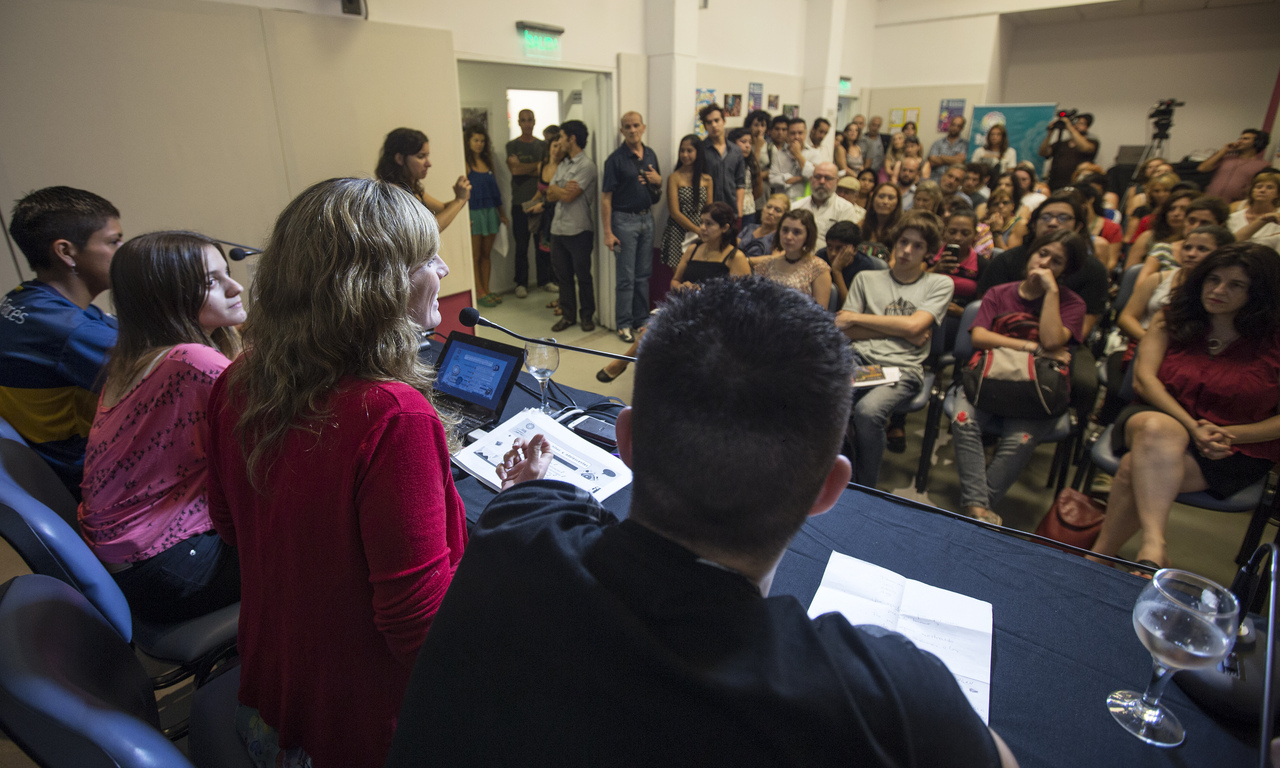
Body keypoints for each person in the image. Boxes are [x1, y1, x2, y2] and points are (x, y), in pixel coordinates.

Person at [385, 276, 1016, 768]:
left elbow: (534, 501)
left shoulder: (514, 535)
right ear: (829, 489)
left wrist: (531, 485)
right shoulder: (895, 703)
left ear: (625, 441)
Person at [206, 177, 485, 768]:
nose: (443, 266)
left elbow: (231, 527)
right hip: (357, 734)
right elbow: (421, 632)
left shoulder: (235, 381)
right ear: (379, 285)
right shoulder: (393, 415)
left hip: (265, 701)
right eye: (426, 257)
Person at [79, 231, 244, 623]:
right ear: (165, 297)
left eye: (227, 273)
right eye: (211, 281)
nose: (235, 287)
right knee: (330, 549)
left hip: (135, 565)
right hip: (169, 567)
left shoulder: (138, 356)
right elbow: (279, 434)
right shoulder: (191, 361)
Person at [1092, 243, 1280, 571]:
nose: (1218, 290)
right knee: (1158, 431)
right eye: (1213, 279)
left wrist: (1229, 435)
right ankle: (1153, 546)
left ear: (1260, 293)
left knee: (1133, 469)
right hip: (1157, 416)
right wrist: (1193, 427)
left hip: (1236, 447)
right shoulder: (1174, 317)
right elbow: (1144, 382)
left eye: (1236, 285)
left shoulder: (1273, 340)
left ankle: (1098, 557)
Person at [954, 230, 1092, 526]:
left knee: (1020, 439)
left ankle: (975, 507)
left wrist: (1052, 293)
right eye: (1042, 254)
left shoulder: (1072, 303)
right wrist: (1031, 347)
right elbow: (979, 337)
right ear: (1031, 253)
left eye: (1056, 262)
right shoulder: (999, 293)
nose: (1045, 264)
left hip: (1037, 388)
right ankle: (979, 513)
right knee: (963, 419)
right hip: (988, 378)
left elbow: (1053, 341)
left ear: (1064, 271)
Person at [0, 186, 123, 499]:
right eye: (113, 241)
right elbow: (171, 378)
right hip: (94, 484)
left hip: (52, 469)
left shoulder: (25, 299)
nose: (123, 251)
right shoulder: (70, 330)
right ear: (66, 252)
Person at [837, 212, 954, 487]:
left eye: (918, 246)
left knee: (868, 412)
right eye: (903, 242)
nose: (907, 251)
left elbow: (915, 328)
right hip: (860, 358)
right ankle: (835, 472)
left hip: (901, 368)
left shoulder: (939, 284)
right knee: (822, 395)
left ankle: (865, 486)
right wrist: (903, 328)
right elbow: (845, 327)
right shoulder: (867, 279)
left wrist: (858, 317)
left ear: (929, 253)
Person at [602, 111, 662, 344]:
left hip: (647, 219)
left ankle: (641, 320)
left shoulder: (650, 154)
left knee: (643, 275)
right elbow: (606, 198)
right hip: (624, 221)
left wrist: (659, 181)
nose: (632, 129)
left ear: (643, 127)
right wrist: (608, 232)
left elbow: (656, 190)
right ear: (622, 131)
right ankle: (624, 324)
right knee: (626, 277)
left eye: (636, 125)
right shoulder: (615, 160)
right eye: (627, 126)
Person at [548, 120, 598, 333]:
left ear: (572, 138)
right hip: (557, 230)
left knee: (583, 276)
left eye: (561, 136)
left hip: (579, 230)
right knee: (563, 277)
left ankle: (587, 316)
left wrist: (560, 190)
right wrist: (560, 189)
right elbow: (549, 192)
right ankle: (568, 317)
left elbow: (569, 196)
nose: (559, 141)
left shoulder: (586, 166)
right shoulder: (563, 164)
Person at [375, 127, 470, 231]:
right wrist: (459, 200)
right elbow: (426, 231)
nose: (428, 164)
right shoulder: (392, 192)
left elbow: (442, 208)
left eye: (427, 156)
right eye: (421, 156)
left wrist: (462, 197)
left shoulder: (411, 187)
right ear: (400, 159)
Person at [464, 124, 509, 308]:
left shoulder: (488, 161)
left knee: (486, 254)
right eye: (475, 140)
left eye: (482, 141)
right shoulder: (466, 164)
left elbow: (495, 190)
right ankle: (479, 291)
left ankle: (487, 289)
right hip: (474, 212)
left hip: (491, 211)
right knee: (474, 256)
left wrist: (502, 213)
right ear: (468, 142)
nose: (479, 144)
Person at [506, 109, 548, 298]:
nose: (527, 123)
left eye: (530, 120)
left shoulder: (543, 145)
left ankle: (544, 281)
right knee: (521, 246)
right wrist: (536, 167)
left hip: (539, 202)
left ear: (534, 121)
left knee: (542, 245)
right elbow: (514, 170)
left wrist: (526, 168)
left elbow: (545, 171)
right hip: (519, 203)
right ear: (518, 122)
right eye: (523, 120)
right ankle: (521, 283)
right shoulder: (512, 145)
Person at [751, 209, 832, 307]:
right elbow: (756, 304)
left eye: (797, 232)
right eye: (785, 230)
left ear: (808, 236)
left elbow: (820, 314)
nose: (789, 237)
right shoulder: (765, 265)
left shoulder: (818, 268)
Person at [669, 202, 751, 293]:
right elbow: (675, 281)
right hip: (687, 304)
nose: (703, 228)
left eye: (709, 224)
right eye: (701, 222)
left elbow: (742, 296)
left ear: (724, 228)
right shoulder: (692, 249)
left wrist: (704, 292)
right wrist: (681, 288)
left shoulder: (736, 257)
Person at [659, 134, 714, 268]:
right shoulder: (674, 178)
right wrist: (696, 230)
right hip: (678, 232)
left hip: (701, 233)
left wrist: (704, 231)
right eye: (682, 150)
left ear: (698, 152)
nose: (684, 155)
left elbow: (709, 210)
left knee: (698, 275)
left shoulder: (707, 179)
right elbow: (675, 213)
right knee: (679, 278)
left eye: (689, 151)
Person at [793, 162, 865, 251]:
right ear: (811, 179)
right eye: (818, 177)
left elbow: (846, 244)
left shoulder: (845, 208)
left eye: (828, 178)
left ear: (837, 182)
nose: (822, 182)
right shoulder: (796, 206)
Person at [1126, 189, 1196, 276]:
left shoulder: (1195, 243)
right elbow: (1129, 275)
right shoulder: (1148, 237)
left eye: (1183, 209)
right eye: (1171, 209)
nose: (1176, 213)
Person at [930, 208, 986, 315]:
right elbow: (914, 285)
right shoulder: (930, 255)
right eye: (952, 232)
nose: (957, 237)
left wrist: (962, 312)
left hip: (961, 319)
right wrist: (935, 270)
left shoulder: (982, 265)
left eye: (965, 233)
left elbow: (983, 307)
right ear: (944, 232)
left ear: (975, 235)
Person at [530, 127, 563, 307]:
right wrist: (530, 204)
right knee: (544, 251)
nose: (557, 150)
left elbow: (558, 195)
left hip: (558, 215)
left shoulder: (563, 167)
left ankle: (561, 296)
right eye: (554, 146)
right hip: (543, 217)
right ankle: (550, 286)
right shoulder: (542, 165)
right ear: (549, 147)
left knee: (558, 256)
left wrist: (542, 205)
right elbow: (540, 191)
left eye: (560, 146)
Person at [822, 219, 887, 308]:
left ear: (854, 250)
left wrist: (837, 271)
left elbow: (850, 306)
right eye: (829, 246)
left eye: (839, 248)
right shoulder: (821, 256)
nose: (833, 253)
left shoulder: (865, 267)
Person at [1200, 129, 1272, 203]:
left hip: (1235, 205)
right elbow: (1202, 168)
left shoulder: (1263, 165)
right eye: (1240, 138)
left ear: (1257, 142)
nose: (1240, 141)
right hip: (1209, 200)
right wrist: (1224, 150)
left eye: (1245, 139)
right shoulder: (1227, 157)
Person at [699, 103, 746, 214]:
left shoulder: (736, 151)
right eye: (709, 122)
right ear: (705, 126)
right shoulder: (700, 150)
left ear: (723, 121)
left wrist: (739, 212)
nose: (714, 125)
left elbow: (740, 184)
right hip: (707, 210)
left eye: (717, 120)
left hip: (730, 209)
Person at [1038, 112, 1097, 191]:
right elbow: (1043, 152)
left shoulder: (1092, 142)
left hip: (1077, 185)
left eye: (1081, 123)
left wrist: (1069, 127)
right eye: (1075, 123)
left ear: (1087, 127)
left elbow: (1085, 148)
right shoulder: (1062, 143)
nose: (1077, 126)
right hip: (1055, 184)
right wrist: (1049, 134)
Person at [1228, 170, 1280, 250]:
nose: (1262, 190)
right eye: (1258, 187)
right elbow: (1229, 243)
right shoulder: (1232, 218)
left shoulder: (1278, 217)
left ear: (1278, 194)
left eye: (1269, 187)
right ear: (1252, 190)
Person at [769, 116, 816, 201]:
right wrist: (800, 178)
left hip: (804, 202)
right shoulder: (779, 154)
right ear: (788, 134)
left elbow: (813, 176)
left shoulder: (814, 153)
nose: (796, 137)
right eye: (793, 133)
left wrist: (798, 155)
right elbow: (772, 180)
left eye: (800, 133)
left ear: (806, 133)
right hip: (782, 202)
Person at [859, 182, 904, 262]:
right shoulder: (861, 225)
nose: (885, 202)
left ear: (897, 203)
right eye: (881, 196)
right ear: (873, 200)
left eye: (891, 198)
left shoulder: (902, 229)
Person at [730, 127, 763, 228]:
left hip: (749, 210)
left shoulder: (751, 163)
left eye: (750, 142)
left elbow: (758, 189)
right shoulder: (728, 163)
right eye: (743, 142)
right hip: (731, 210)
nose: (748, 146)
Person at [739, 193, 789, 257]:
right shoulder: (750, 227)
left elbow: (774, 259)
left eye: (777, 210)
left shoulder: (780, 237)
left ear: (784, 217)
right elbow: (732, 248)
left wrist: (745, 261)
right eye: (768, 207)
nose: (770, 212)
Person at [980, 187, 1021, 253]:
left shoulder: (1019, 224)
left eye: (1005, 203)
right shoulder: (983, 225)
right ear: (989, 208)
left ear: (1012, 206)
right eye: (996, 204)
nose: (1001, 206)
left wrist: (996, 232)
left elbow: (1009, 257)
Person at [927, 116, 969, 181]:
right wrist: (954, 159)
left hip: (954, 181)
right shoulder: (938, 143)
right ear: (949, 125)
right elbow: (932, 161)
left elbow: (960, 161)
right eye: (953, 125)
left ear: (962, 128)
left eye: (958, 126)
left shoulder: (965, 144)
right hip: (935, 178)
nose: (955, 128)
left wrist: (941, 156)